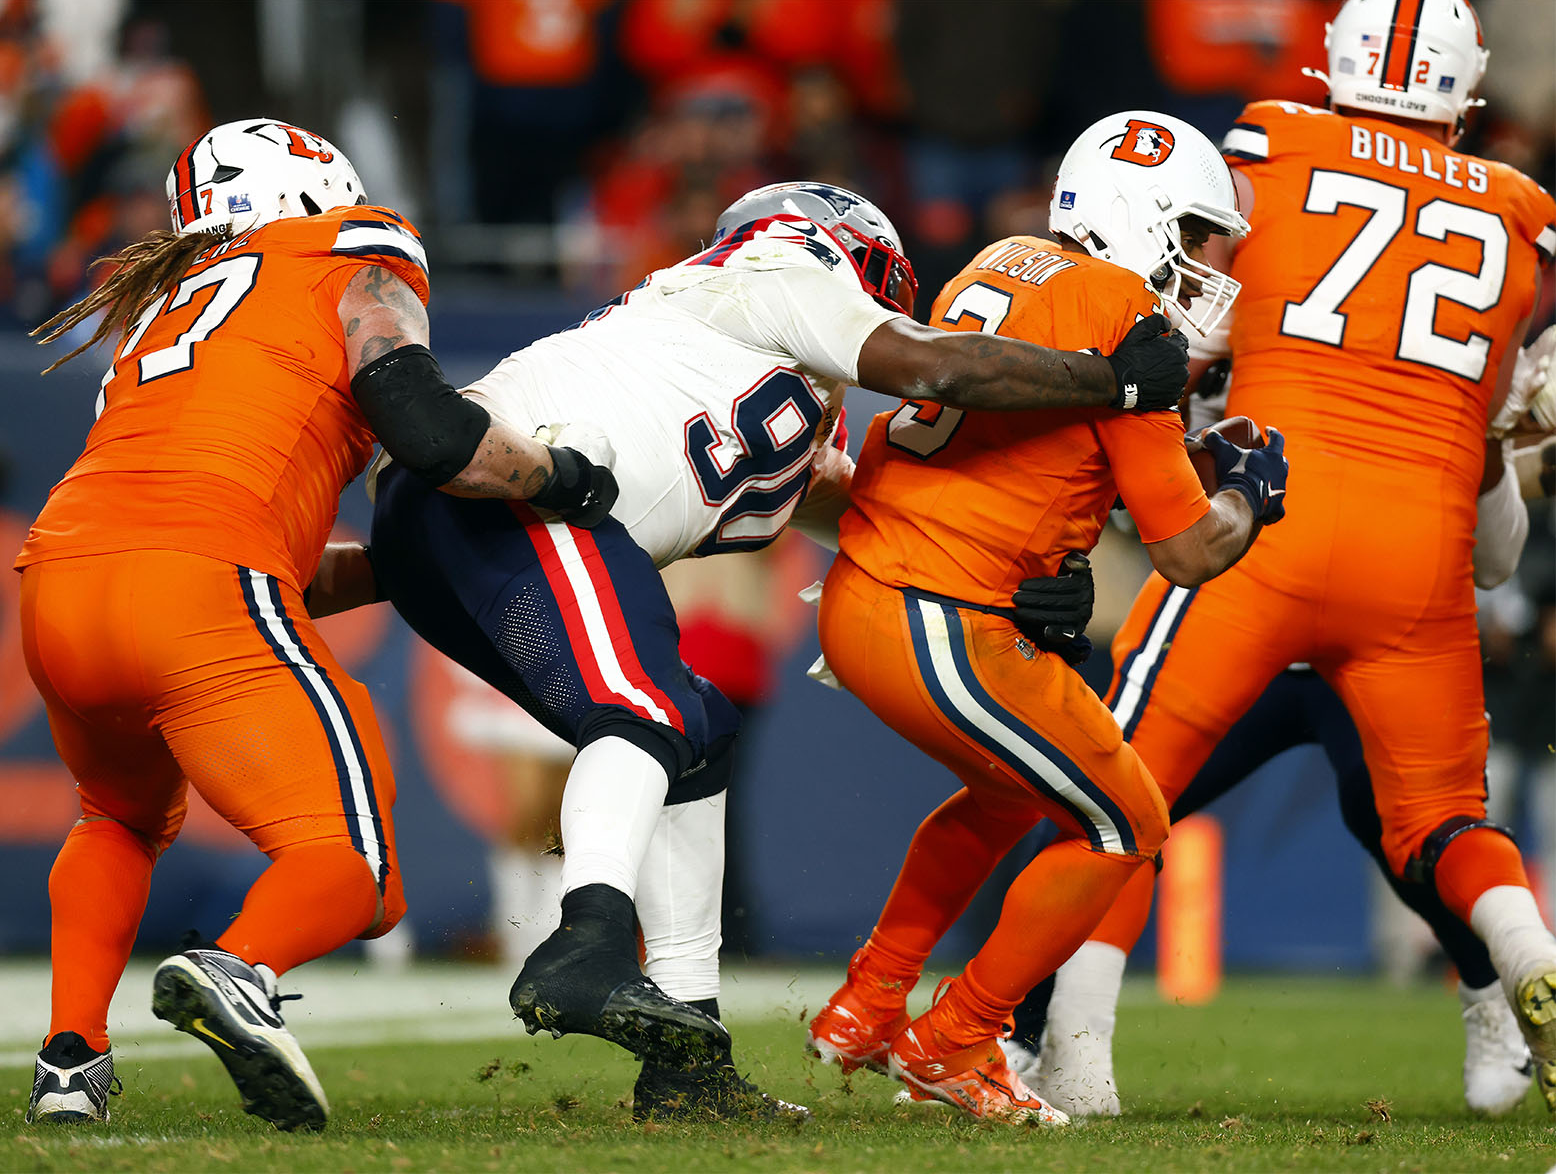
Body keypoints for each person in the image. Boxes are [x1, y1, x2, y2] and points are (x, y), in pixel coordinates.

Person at [352, 180, 1195, 1119]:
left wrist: (1026, 576)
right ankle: (584, 941)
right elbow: (935, 368)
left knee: (699, 736)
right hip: (514, 491)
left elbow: (877, 516)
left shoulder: (748, 368)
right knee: (651, 711)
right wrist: (1112, 380)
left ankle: (688, 1064)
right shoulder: (781, 269)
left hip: (471, 530)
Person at [1000, 0, 1556, 1120]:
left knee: (1117, 791)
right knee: (1443, 820)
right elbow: (1493, 552)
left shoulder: (1268, 141)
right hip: (1411, 563)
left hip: (1266, 533)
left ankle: (1074, 1060)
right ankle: (1527, 951)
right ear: (1465, 89)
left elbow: (1197, 322)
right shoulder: (1517, 211)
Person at [18, 118, 614, 1130]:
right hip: (201, 577)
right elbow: (429, 431)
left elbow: (253, 561)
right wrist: (565, 478)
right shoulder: (350, 245)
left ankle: (72, 1063)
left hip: (57, 581)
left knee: (114, 816)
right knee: (355, 868)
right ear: (314, 185)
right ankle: (240, 970)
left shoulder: (161, 308)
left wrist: (390, 568)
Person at [803, 112, 1287, 1123]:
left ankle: (868, 1000)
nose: (1205, 259)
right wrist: (1245, 492)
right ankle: (957, 1037)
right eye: (1196, 233)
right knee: (1126, 826)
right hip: (937, 612)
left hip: (877, 592)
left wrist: (1058, 546)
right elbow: (1188, 550)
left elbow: (1034, 454)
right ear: (1142, 216)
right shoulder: (1123, 314)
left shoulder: (1003, 258)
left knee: (1008, 797)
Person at [1006, 340, 1556, 1120]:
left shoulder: (1393, 359)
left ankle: (1487, 994)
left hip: (1344, 647)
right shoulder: (1241, 321)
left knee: (1409, 835)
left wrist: (1506, 452)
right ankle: (1031, 1032)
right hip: (1238, 616)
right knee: (1115, 802)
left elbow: (1473, 526)